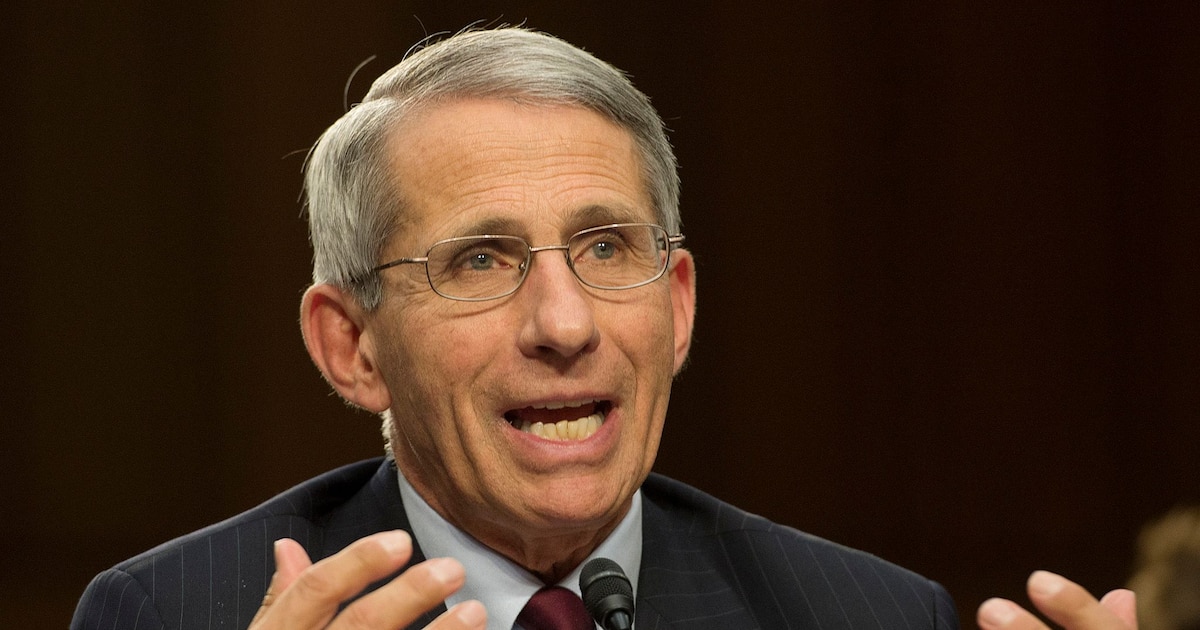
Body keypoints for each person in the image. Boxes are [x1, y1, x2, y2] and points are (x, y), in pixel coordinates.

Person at [70, 27, 1133, 630]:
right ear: (353, 348)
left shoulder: (867, 615)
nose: (564, 323)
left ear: (676, 309)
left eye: (607, 249)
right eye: (480, 260)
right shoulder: (170, 614)